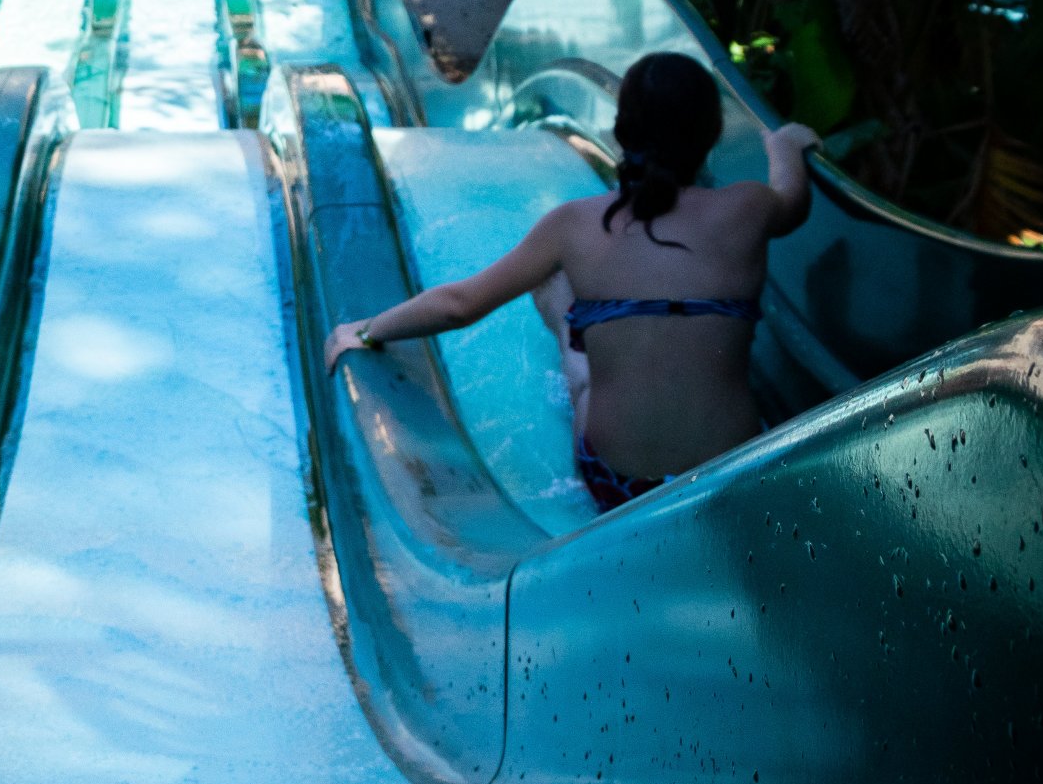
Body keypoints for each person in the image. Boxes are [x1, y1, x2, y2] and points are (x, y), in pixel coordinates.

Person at [325, 52, 821, 512]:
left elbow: (459, 304)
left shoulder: (574, 225)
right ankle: (584, 320)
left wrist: (366, 330)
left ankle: (571, 328)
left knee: (564, 308)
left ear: (620, 131)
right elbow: (792, 199)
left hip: (618, 482)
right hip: (733, 478)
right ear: (713, 133)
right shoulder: (749, 208)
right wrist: (784, 146)